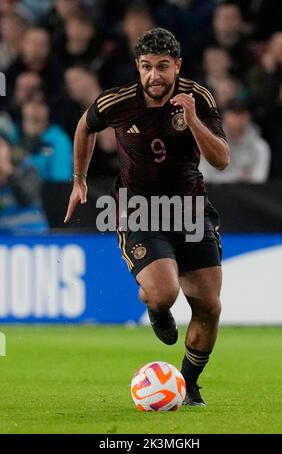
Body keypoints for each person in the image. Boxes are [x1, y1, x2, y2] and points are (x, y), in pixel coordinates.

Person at [64, 28, 230, 407]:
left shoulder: (197, 98)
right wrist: (79, 180)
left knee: (209, 307)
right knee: (165, 292)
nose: (154, 76)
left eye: (162, 67)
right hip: (138, 210)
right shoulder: (118, 102)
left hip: (190, 210)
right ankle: (157, 309)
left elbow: (221, 159)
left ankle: (188, 386)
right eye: (146, 67)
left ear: (177, 66)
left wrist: (192, 120)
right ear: (138, 67)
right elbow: (84, 128)